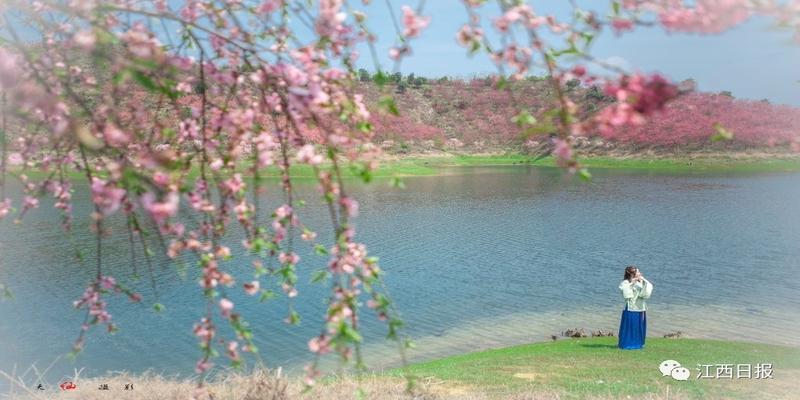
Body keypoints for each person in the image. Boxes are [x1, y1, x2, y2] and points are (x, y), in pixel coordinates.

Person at [618, 265, 653, 350]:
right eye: (637, 272)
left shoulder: (641, 282)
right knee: (630, 326)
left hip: (640, 308)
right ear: (632, 273)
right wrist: (632, 283)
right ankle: (627, 344)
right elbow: (626, 295)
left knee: (638, 326)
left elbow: (645, 294)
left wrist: (643, 281)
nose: (640, 273)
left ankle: (638, 344)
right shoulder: (625, 283)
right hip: (630, 308)